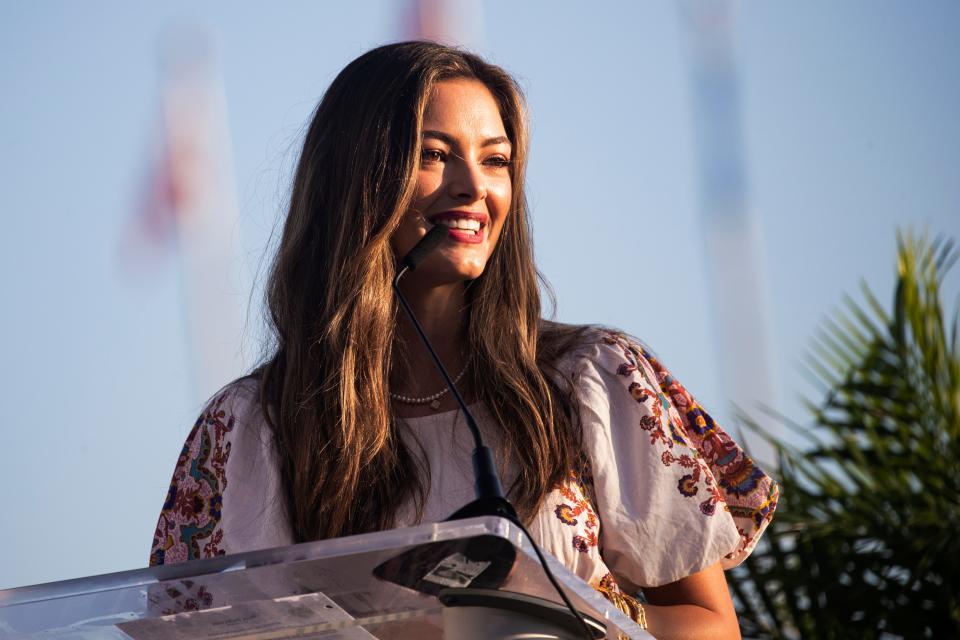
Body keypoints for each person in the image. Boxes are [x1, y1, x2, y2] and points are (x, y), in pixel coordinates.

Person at [150, 41, 778, 639]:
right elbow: (176, 629)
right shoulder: (253, 425)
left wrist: (561, 610)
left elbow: (711, 626)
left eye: (496, 160)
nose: (475, 185)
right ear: (353, 180)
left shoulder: (591, 381)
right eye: (434, 154)